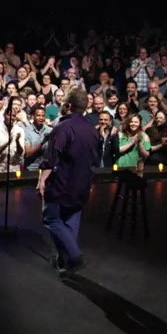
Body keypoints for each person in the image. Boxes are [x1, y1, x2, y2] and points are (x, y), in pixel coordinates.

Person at [36, 88, 97, 276]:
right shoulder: (92, 129)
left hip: (62, 184)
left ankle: (75, 256)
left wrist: (42, 180)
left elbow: (51, 159)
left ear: (68, 105)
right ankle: (65, 261)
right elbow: (94, 159)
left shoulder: (63, 128)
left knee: (51, 218)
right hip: (83, 183)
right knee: (70, 221)